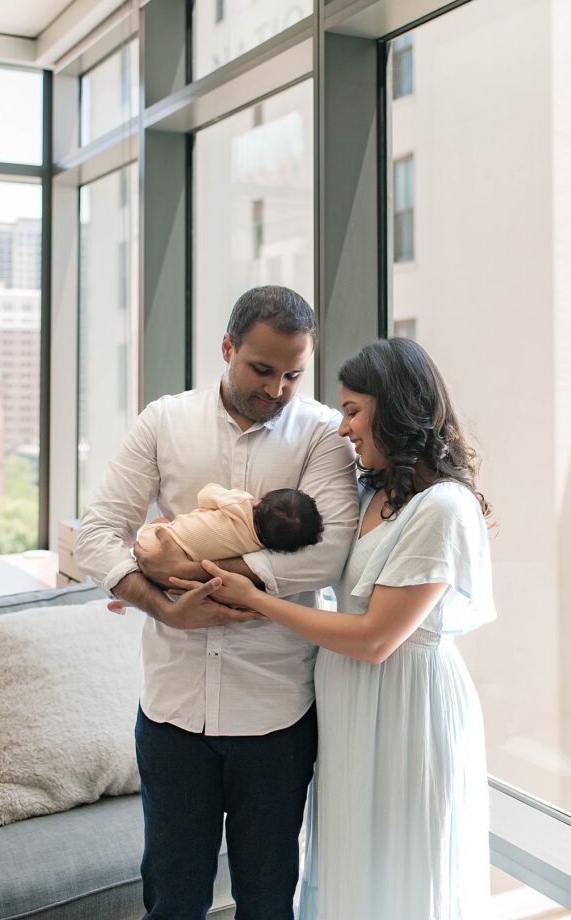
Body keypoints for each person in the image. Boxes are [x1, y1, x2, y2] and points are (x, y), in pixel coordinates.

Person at [178, 338, 496, 920]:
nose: (343, 428)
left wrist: (257, 598)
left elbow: (376, 638)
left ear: (394, 408)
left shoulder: (444, 509)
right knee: (352, 870)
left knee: (402, 872)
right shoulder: (372, 491)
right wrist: (151, 579)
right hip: (351, 707)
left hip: (406, 708)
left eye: (353, 410)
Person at [74, 286, 358, 920]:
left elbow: (328, 554)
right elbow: (95, 534)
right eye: (262, 369)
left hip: (276, 716)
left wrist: (199, 571)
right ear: (227, 347)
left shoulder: (319, 434)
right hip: (173, 711)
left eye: (292, 373)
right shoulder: (164, 421)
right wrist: (165, 605)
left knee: (266, 901)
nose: (278, 388)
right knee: (172, 902)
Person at [107, 483, 324, 614]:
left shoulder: (238, 505)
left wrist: (240, 498)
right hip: (178, 566)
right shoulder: (256, 551)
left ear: (258, 503)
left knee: (162, 521)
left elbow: (206, 494)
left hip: (156, 542)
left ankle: (125, 596)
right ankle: (125, 601)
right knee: (164, 587)